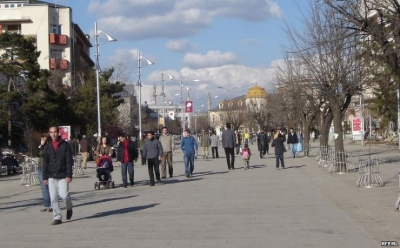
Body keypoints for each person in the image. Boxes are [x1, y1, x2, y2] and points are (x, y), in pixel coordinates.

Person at [43, 126, 73, 225]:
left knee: (64, 195)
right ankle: (57, 217)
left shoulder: (65, 145)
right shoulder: (47, 147)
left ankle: (69, 208)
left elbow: (69, 161)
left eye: (55, 132)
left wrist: (69, 175)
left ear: (58, 132)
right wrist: (45, 177)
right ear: (49, 134)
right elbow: (45, 162)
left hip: (63, 175)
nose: (53, 134)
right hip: (51, 175)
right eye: (51, 132)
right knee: (53, 197)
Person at [38, 134, 52, 212]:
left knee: (49, 186)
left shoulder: (48, 146)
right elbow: (38, 154)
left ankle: (51, 204)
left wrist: (42, 145)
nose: (42, 139)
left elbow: (42, 154)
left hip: (46, 167)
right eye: (42, 137)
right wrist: (41, 145)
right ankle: (46, 204)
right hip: (40, 166)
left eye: (44, 138)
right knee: (43, 187)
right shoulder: (42, 146)